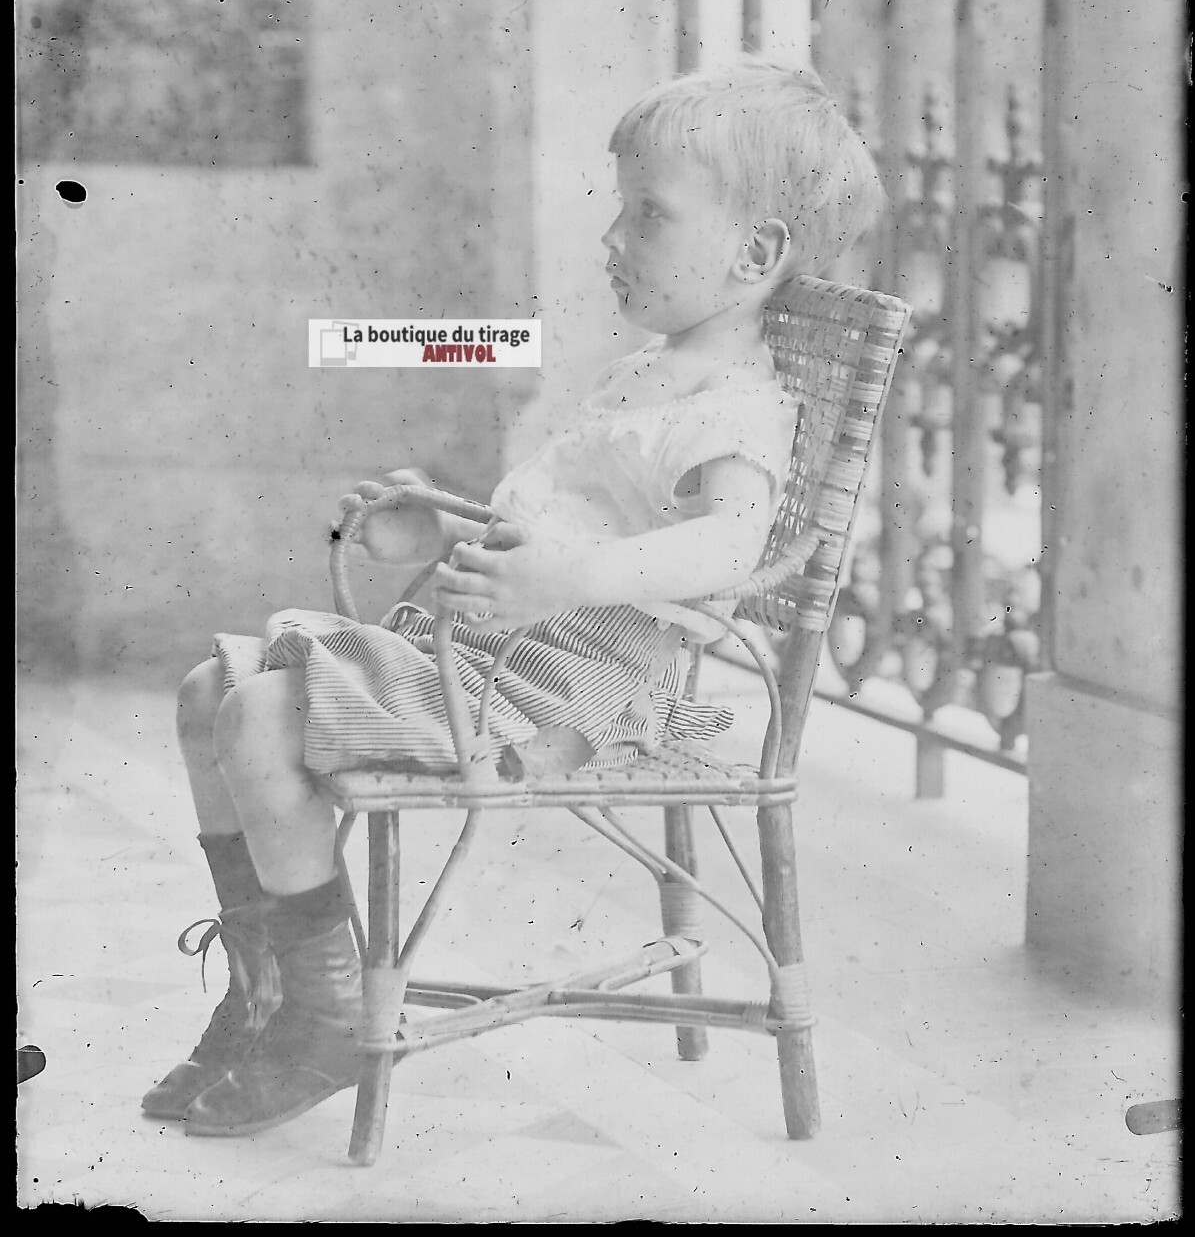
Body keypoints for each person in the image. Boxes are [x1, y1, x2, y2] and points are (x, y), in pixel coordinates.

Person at [142, 57, 885, 1137]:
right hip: (497, 651)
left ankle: (324, 1012)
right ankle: (267, 991)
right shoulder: (647, 374)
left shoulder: (734, 409)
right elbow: (559, 524)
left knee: (258, 714)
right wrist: (441, 532)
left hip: (568, 684)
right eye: (619, 207)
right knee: (204, 693)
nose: (612, 237)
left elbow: (727, 543)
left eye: (649, 213)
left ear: (755, 254)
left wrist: (571, 577)